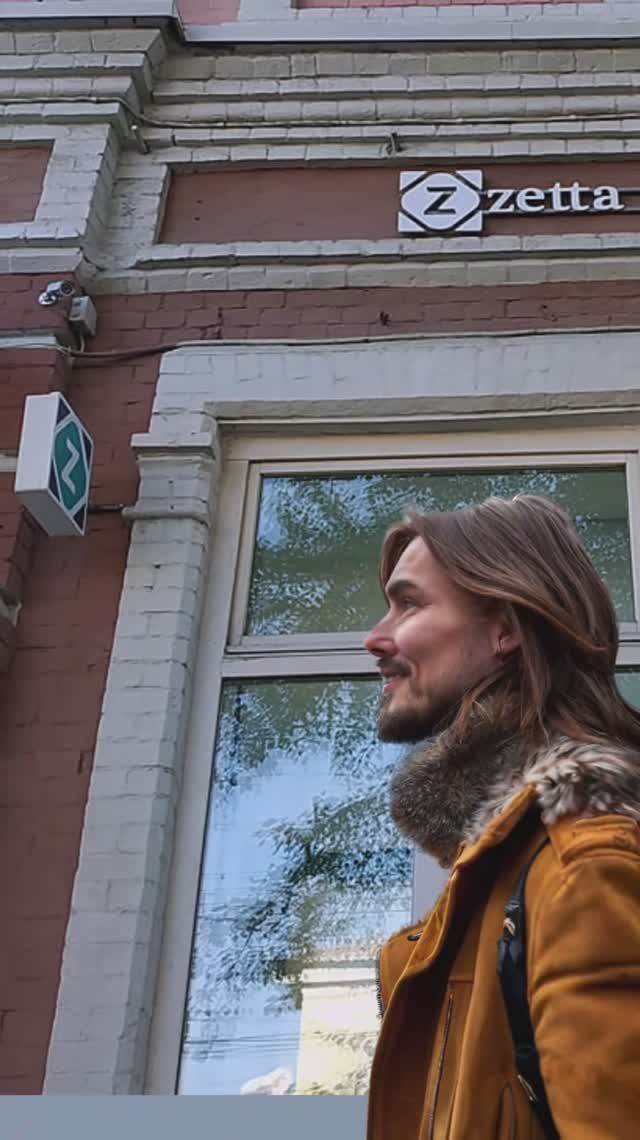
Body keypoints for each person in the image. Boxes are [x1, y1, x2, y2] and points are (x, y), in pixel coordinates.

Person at [363, 494, 640, 1140]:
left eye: (409, 604)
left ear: (506, 629)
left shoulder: (585, 863)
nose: (375, 638)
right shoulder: (496, 877)